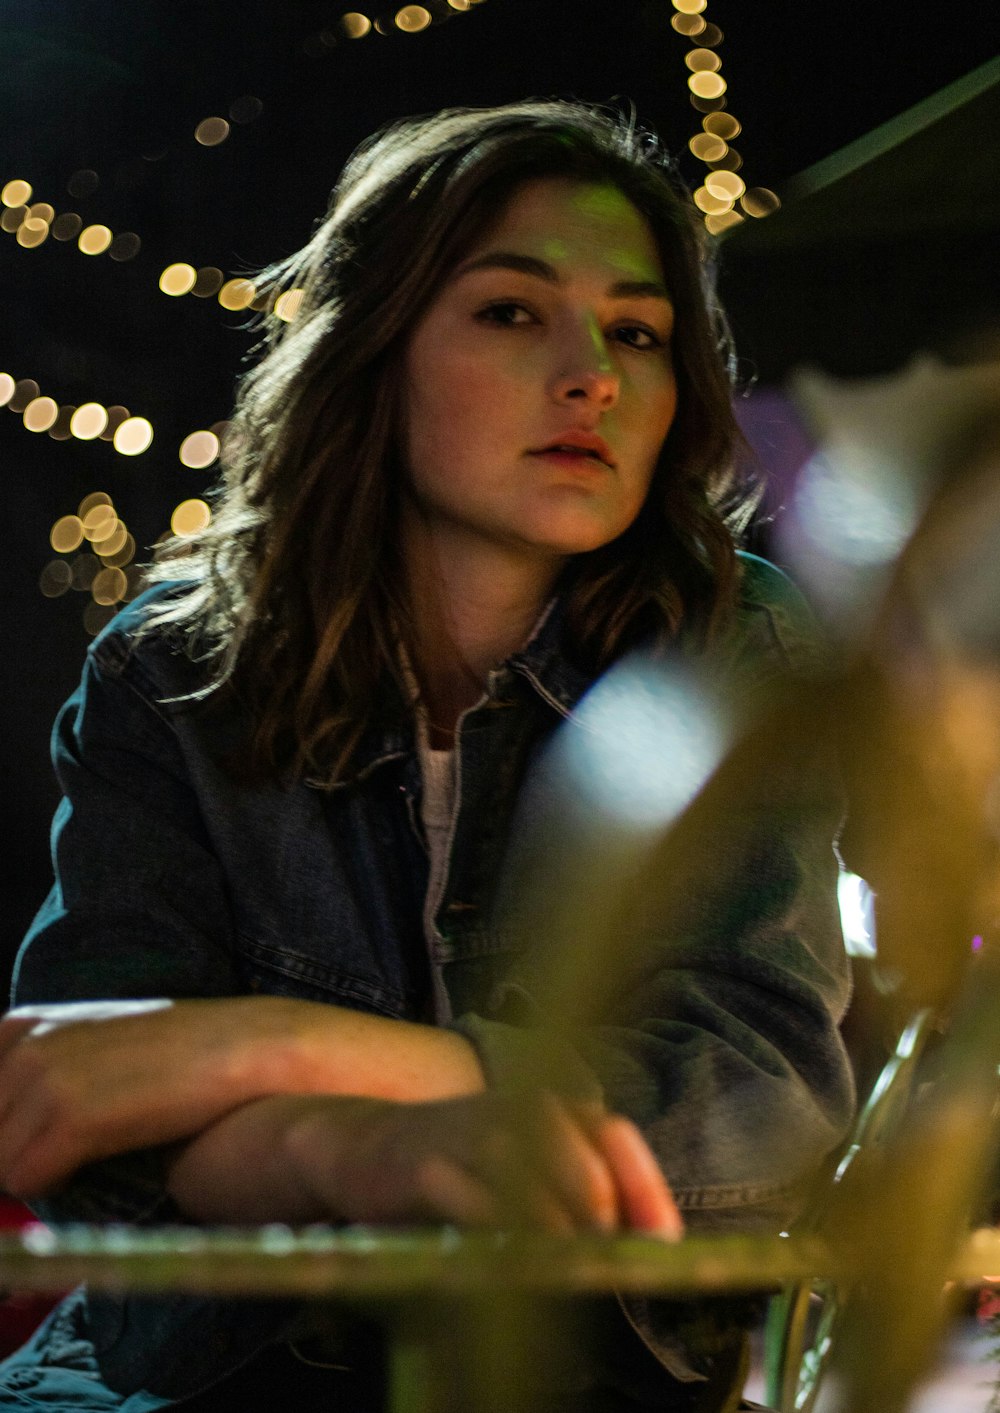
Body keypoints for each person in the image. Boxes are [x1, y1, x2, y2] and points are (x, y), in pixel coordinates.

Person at [0, 100, 853, 1410]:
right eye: (513, 311)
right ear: (373, 347)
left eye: (638, 330)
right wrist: (348, 1147)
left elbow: (757, 1098)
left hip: (585, 1358)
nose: (595, 378)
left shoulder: (730, 639)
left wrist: (262, 1049)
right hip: (214, 1359)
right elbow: (84, 1121)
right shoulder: (170, 667)